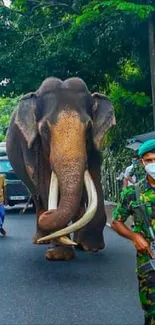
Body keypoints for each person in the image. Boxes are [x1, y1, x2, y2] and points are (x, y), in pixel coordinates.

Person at [111, 139, 155, 325]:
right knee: (152, 311)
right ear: (142, 162)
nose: (153, 164)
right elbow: (116, 222)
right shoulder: (133, 193)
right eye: (149, 160)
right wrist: (134, 236)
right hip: (149, 260)